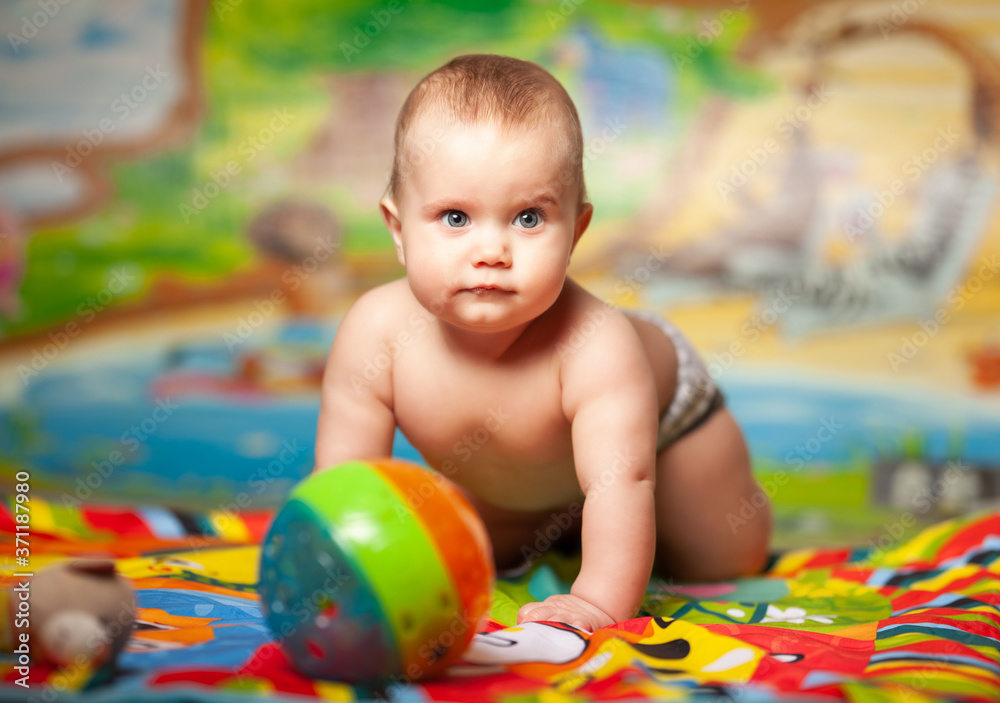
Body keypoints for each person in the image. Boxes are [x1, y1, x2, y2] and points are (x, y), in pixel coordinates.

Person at [315, 54, 771, 632]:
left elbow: (622, 482)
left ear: (575, 232)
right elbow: (344, 482)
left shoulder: (595, 347)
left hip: (668, 417)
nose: (491, 251)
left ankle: (593, 515)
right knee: (487, 557)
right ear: (399, 230)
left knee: (722, 557)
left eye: (528, 219)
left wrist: (597, 604)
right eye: (455, 217)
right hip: (519, 474)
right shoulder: (375, 334)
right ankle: (568, 513)